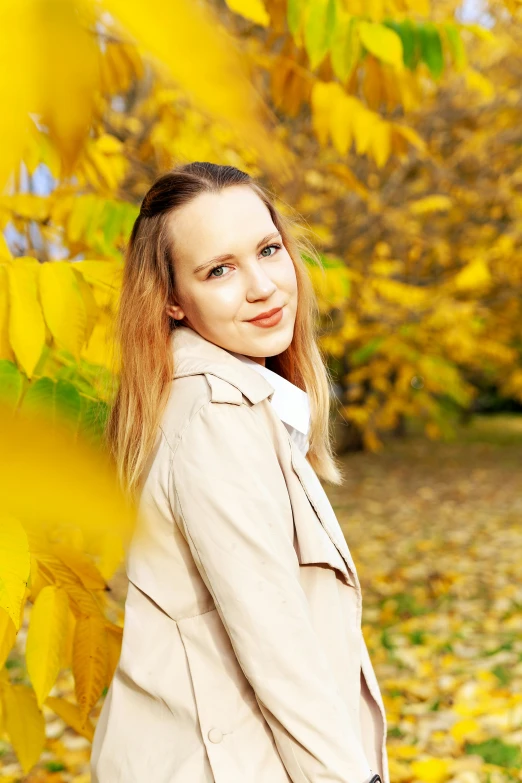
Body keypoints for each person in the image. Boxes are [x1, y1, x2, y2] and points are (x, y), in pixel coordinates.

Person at [89, 162, 389, 783]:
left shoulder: (217, 399)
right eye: (218, 270)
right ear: (170, 298)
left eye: (268, 250)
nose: (262, 286)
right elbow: (277, 648)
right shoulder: (215, 417)